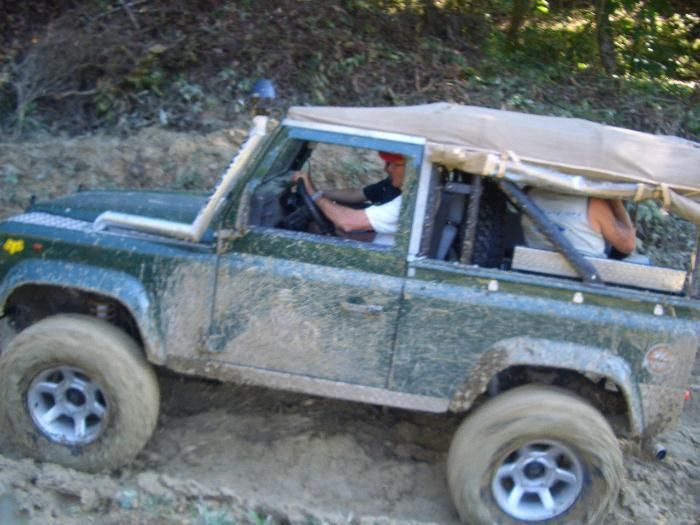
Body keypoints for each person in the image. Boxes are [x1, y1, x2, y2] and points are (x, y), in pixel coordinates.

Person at [292, 151, 406, 245]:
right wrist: (319, 193)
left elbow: (347, 223)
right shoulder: (392, 186)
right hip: (379, 244)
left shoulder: (406, 205)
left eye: (395, 165)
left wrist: (314, 194)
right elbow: (356, 194)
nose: (387, 169)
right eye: (388, 164)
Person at [521, 188, 636, 258]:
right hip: (587, 275)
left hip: (536, 269)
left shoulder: (527, 194)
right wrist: (614, 198)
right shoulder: (594, 203)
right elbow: (627, 245)